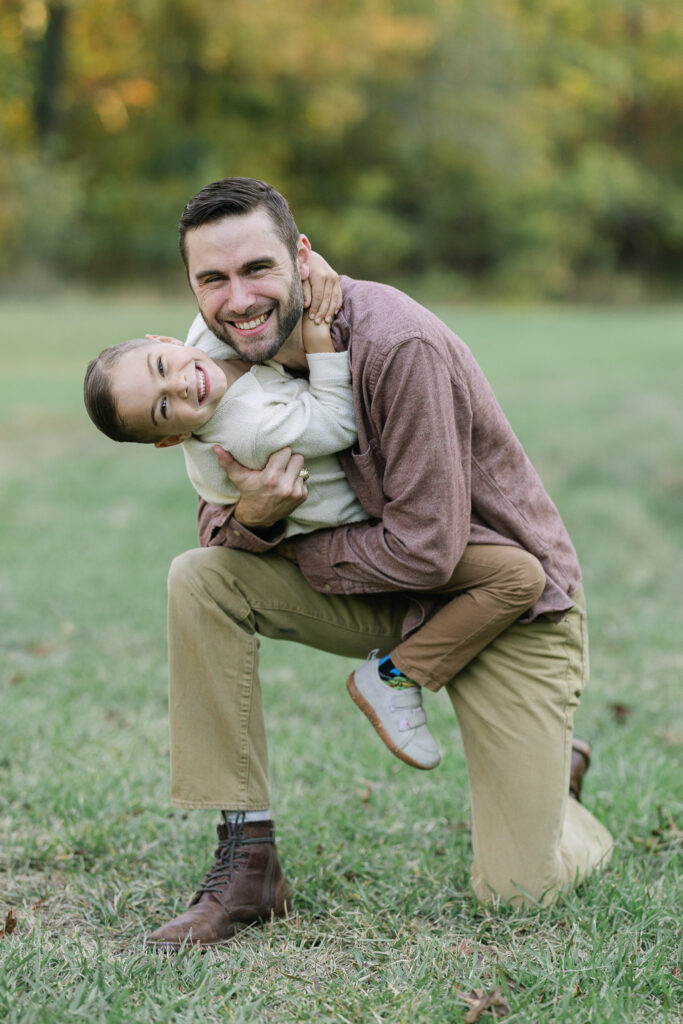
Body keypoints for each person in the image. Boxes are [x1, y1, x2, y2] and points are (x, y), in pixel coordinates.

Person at [142, 176, 613, 949]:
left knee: (520, 895)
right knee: (200, 579)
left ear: (301, 257)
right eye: (212, 281)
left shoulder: (398, 343)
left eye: (257, 269)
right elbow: (217, 514)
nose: (238, 300)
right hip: (380, 591)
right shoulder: (206, 360)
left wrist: (270, 531)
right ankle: (247, 858)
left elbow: (429, 548)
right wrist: (254, 521)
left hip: (505, 605)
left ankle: (557, 793)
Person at [84, 320, 546, 772]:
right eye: (163, 407)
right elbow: (339, 423)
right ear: (173, 438)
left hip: (390, 532)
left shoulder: (205, 336)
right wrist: (323, 348)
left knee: (509, 580)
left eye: (162, 365)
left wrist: (313, 266)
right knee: (517, 577)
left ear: (161, 340)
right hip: (365, 547)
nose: (180, 385)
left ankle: (546, 750)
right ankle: (394, 675)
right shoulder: (247, 431)